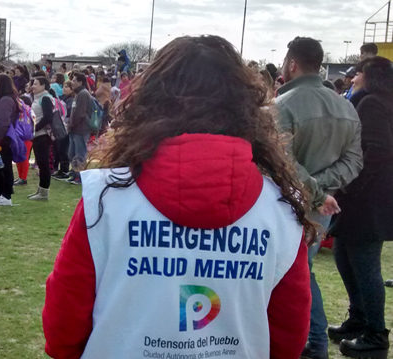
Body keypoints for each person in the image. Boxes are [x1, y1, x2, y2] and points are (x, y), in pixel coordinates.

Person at [43, 35, 313, 359]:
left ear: (149, 102)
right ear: (246, 110)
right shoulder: (279, 210)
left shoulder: (107, 199)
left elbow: (64, 326)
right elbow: (288, 336)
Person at [275, 36, 362, 359]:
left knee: (291, 274)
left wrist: (314, 189)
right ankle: (315, 343)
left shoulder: (282, 106)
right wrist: (321, 191)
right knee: (302, 270)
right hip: (321, 206)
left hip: (287, 202)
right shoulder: (346, 106)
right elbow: (354, 162)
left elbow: (279, 161)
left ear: (292, 64)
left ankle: (313, 342)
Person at [328, 56, 393, 359]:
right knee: (343, 253)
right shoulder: (375, 102)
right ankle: (359, 320)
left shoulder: (373, 104)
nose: (352, 78)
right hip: (366, 199)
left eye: (358, 73)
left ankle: (376, 334)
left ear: (371, 76)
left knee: (365, 264)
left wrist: (351, 187)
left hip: (367, 201)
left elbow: (376, 151)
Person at [0, 74, 18, 206]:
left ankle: (6, 195)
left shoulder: (6, 100)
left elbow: (3, 122)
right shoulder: (1, 99)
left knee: (4, 166)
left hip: (4, 138)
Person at [28, 76, 56, 201]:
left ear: (44, 86)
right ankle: (41, 190)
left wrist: (35, 128)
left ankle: (44, 192)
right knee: (40, 163)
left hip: (43, 135)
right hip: (38, 135)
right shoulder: (38, 98)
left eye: (36, 84)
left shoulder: (45, 98)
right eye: (33, 83)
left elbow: (48, 118)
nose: (33, 86)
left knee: (43, 164)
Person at [66, 73, 93, 185]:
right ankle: (75, 173)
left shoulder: (83, 94)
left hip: (81, 129)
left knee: (80, 154)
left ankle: (80, 177)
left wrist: (71, 124)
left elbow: (80, 113)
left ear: (81, 82)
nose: (72, 82)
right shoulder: (78, 94)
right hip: (74, 129)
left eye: (74, 80)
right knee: (72, 153)